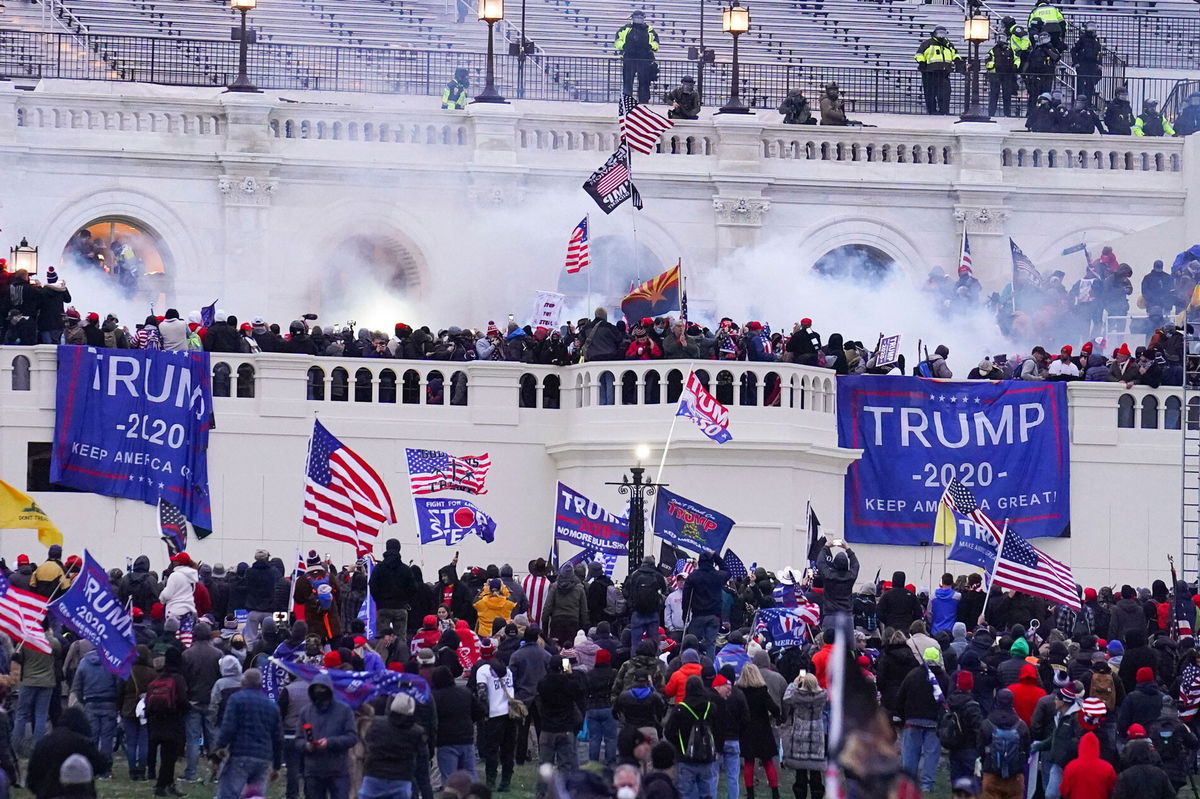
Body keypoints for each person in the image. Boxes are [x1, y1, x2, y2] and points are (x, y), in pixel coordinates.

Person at [214, 668, 283, 799]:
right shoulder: (272, 706)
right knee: (255, 796)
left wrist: (218, 748)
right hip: (263, 758)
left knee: (229, 794)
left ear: (243, 682)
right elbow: (278, 738)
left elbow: (228, 728)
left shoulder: (236, 699)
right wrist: (277, 766)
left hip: (240, 754)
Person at [896, 647, 949, 793]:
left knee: (910, 754)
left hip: (912, 720)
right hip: (934, 721)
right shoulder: (944, 677)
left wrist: (904, 716)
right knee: (931, 754)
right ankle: (926, 784)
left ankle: (908, 783)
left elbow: (900, 697)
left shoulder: (912, 675)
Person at [26, 707, 107, 799]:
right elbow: (102, 765)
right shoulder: (82, 743)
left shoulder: (43, 743)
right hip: (79, 794)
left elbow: (32, 776)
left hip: (47, 793)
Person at [298, 673, 357, 799]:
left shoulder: (344, 710)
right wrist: (306, 745)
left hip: (338, 771)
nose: (319, 692)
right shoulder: (305, 712)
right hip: (313, 771)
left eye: (323, 688)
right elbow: (298, 739)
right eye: (316, 689)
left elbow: (352, 737)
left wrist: (330, 742)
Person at [361, 692, 427, 799]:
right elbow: (422, 759)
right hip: (401, 778)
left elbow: (366, 744)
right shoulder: (416, 732)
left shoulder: (376, 723)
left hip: (374, 774)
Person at [664, 676, 720, 799]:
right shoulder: (711, 708)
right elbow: (718, 730)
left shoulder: (680, 709)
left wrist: (680, 745)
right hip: (707, 757)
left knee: (685, 794)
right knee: (707, 793)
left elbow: (669, 732)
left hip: (685, 758)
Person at [69, 647, 120, 779]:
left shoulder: (84, 662)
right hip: (109, 702)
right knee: (107, 738)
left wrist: (83, 700)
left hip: (90, 702)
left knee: (92, 738)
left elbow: (77, 686)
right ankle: (105, 769)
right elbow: (118, 684)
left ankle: (91, 767)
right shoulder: (112, 661)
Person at [146, 647, 190, 797]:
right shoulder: (178, 678)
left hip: (157, 720)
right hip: (173, 720)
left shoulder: (159, 678)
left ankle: (167, 784)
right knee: (169, 757)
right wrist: (186, 709)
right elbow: (183, 700)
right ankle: (162, 786)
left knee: (166, 755)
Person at [181, 621, 222, 783]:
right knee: (213, 740)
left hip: (193, 702)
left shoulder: (187, 655)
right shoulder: (218, 654)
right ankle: (217, 774)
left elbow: (184, 680)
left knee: (192, 740)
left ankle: (190, 773)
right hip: (212, 702)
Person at [475, 643, 517, 790]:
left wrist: (483, 712)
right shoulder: (507, 670)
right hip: (510, 713)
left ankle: (491, 782)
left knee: (492, 750)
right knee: (508, 750)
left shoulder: (482, 670)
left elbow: (482, 694)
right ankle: (506, 782)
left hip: (494, 714)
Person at [737, 664, 782, 799]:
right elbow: (775, 709)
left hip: (746, 730)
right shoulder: (762, 691)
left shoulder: (739, 691)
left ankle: (750, 794)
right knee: (768, 761)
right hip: (762, 729)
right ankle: (775, 793)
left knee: (749, 762)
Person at [977, 689, 1029, 799]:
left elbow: (980, 748)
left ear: (996, 701)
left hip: (991, 774)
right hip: (1015, 777)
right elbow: (1027, 750)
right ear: (1012, 702)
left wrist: (985, 762)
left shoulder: (987, 724)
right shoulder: (1021, 725)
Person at [780, 672, 825, 799]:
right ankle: (817, 794)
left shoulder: (797, 697)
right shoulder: (822, 696)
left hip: (800, 737)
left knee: (800, 772)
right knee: (816, 772)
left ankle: (800, 795)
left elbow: (786, 697)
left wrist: (794, 683)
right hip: (816, 739)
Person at [371, 538, 416, 651]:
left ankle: (382, 661)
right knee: (400, 639)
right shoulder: (405, 569)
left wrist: (379, 600)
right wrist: (405, 600)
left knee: (382, 639)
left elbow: (372, 585)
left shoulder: (379, 568)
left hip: (383, 607)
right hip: (400, 607)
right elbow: (413, 588)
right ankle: (400, 661)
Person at [682, 551, 728, 656]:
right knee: (711, 644)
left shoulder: (693, 577)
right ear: (712, 562)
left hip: (698, 615)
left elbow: (686, 599)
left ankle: (691, 663)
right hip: (714, 616)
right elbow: (727, 570)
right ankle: (710, 668)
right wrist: (716, 556)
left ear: (700, 561)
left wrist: (685, 616)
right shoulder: (718, 575)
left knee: (692, 643)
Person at [614, 11, 659, 104]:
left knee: (644, 83)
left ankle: (644, 102)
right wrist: (624, 46)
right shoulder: (625, 29)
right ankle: (627, 102)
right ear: (632, 18)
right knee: (628, 82)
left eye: (640, 17)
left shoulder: (650, 30)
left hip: (645, 60)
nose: (638, 19)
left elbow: (656, 43)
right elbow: (617, 41)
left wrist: (650, 46)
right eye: (636, 17)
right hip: (629, 59)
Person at [914, 26, 960, 115]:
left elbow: (955, 53)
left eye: (943, 32)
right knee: (930, 93)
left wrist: (957, 60)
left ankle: (944, 111)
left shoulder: (948, 44)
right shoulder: (927, 43)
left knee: (945, 93)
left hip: (944, 72)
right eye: (939, 32)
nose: (941, 34)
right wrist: (922, 62)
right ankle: (932, 111)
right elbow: (919, 54)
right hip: (930, 72)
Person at [625, 555, 667, 647]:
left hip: (637, 612)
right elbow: (664, 591)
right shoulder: (658, 576)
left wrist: (631, 605)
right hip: (653, 612)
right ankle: (652, 660)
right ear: (653, 564)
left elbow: (626, 591)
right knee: (653, 643)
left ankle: (635, 660)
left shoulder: (634, 575)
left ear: (642, 563)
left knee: (636, 643)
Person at [542, 564, 588, 644]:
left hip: (557, 622)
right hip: (573, 622)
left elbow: (547, 607)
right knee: (571, 650)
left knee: (556, 648)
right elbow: (584, 610)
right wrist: (583, 627)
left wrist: (544, 626)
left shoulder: (555, 587)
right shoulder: (580, 588)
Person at [985, 34, 1020, 117]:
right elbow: (987, 62)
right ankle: (991, 113)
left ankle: (1007, 114)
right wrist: (995, 66)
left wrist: (1015, 66)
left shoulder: (1010, 50)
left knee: (1007, 95)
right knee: (994, 94)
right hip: (996, 75)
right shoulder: (993, 50)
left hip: (1007, 75)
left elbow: (1017, 59)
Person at [1070, 23, 1102, 99]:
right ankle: (1079, 101)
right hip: (1082, 64)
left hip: (1092, 65)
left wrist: (1099, 64)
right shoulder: (1081, 40)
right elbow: (1073, 51)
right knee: (1080, 85)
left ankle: (1089, 103)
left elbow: (1099, 53)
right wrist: (1076, 62)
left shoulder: (1096, 41)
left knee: (1090, 85)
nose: (1094, 32)